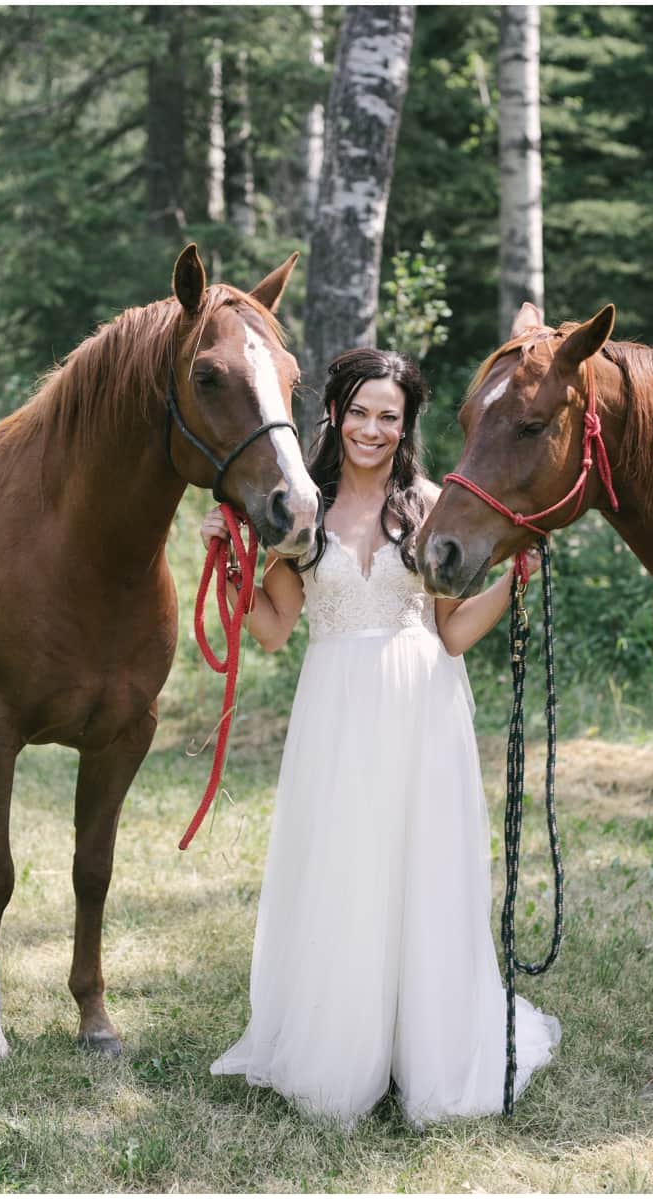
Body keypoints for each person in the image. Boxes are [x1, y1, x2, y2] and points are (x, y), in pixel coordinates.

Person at [206, 347, 560, 1127]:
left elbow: (456, 632)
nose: (373, 428)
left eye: (389, 416)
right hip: (337, 707)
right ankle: (342, 1049)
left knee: (421, 870)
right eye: (360, 412)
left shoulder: (431, 505)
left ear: (406, 427)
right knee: (345, 868)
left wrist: (512, 573)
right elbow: (271, 630)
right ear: (334, 415)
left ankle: (427, 1046)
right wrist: (232, 568)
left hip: (422, 705)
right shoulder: (301, 512)